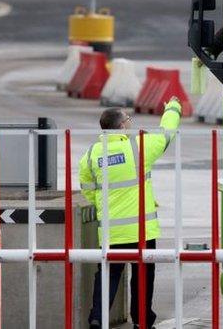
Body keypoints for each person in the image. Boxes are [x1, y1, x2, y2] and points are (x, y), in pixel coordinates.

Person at [80, 99, 183, 328]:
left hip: (111, 231)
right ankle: (142, 321)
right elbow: (167, 133)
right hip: (141, 230)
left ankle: (98, 317)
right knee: (143, 276)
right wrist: (172, 108)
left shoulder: (90, 155)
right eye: (128, 119)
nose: (130, 122)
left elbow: (87, 191)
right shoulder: (138, 146)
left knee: (108, 274)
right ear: (121, 127)